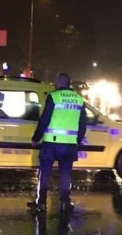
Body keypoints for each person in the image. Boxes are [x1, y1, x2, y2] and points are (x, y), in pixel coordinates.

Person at [27, 73, 87, 213]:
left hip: (51, 144)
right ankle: (65, 202)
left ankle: (41, 203)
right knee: (66, 174)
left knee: (45, 173)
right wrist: (76, 140)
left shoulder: (54, 97)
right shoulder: (79, 100)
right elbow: (83, 125)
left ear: (59, 83)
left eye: (55, 82)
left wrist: (36, 138)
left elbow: (45, 120)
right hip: (69, 145)